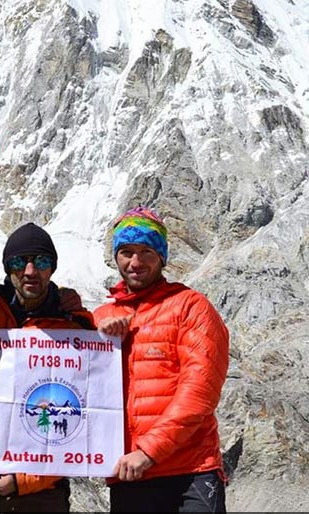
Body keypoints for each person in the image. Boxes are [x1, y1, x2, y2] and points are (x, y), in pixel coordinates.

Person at [0, 222, 96, 513]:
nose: (30, 271)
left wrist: (27, 479)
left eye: (42, 261)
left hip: (40, 487)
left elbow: (86, 414)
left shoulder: (75, 326)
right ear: (7, 267)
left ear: (53, 268)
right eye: (18, 262)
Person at [95, 206, 229, 514]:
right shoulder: (101, 319)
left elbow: (200, 392)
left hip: (191, 471)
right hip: (129, 474)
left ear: (162, 256)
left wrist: (149, 452)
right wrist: (94, 337)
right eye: (126, 252)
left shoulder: (190, 307)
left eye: (146, 251)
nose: (136, 262)